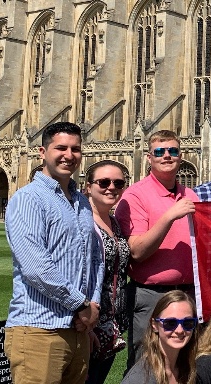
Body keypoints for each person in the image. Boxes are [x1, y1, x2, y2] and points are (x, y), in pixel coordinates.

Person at [3, 122, 103, 384]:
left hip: (78, 329)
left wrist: (92, 307)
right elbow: (35, 266)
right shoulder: (29, 198)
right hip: (39, 329)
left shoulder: (82, 201)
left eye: (75, 149)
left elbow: (94, 259)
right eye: (61, 148)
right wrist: (81, 304)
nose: (69, 155)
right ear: (42, 152)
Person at [115, 129, 200, 368]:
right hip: (151, 295)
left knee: (186, 363)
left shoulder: (191, 195)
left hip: (188, 294)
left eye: (172, 151)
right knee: (146, 364)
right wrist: (169, 216)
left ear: (181, 156)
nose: (167, 156)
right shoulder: (135, 195)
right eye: (160, 152)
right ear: (149, 157)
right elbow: (137, 251)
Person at [85, 160, 132, 384]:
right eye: (103, 182)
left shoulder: (116, 224)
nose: (111, 187)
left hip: (111, 326)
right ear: (88, 186)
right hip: (88, 325)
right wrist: (85, 324)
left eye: (118, 183)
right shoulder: (81, 222)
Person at [122, 290, 198, 384]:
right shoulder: (141, 379)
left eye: (187, 323)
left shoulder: (189, 368)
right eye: (170, 323)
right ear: (154, 325)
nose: (180, 330)